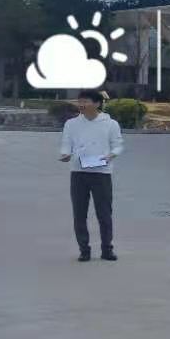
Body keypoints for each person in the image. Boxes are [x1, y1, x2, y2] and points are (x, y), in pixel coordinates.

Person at [59, 89, 125, 262]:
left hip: (101, 173)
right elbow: (66, 143)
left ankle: (107, 249)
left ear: (97, 103)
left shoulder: (110, 124)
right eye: (80, 101)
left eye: (86, 101)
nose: (81, 104)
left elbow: (118, 144)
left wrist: (111, 155)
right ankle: (84, 250)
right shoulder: (71, 124)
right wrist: (65, 154)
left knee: (104, 213)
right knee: (79, 213)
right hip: (78, 173)